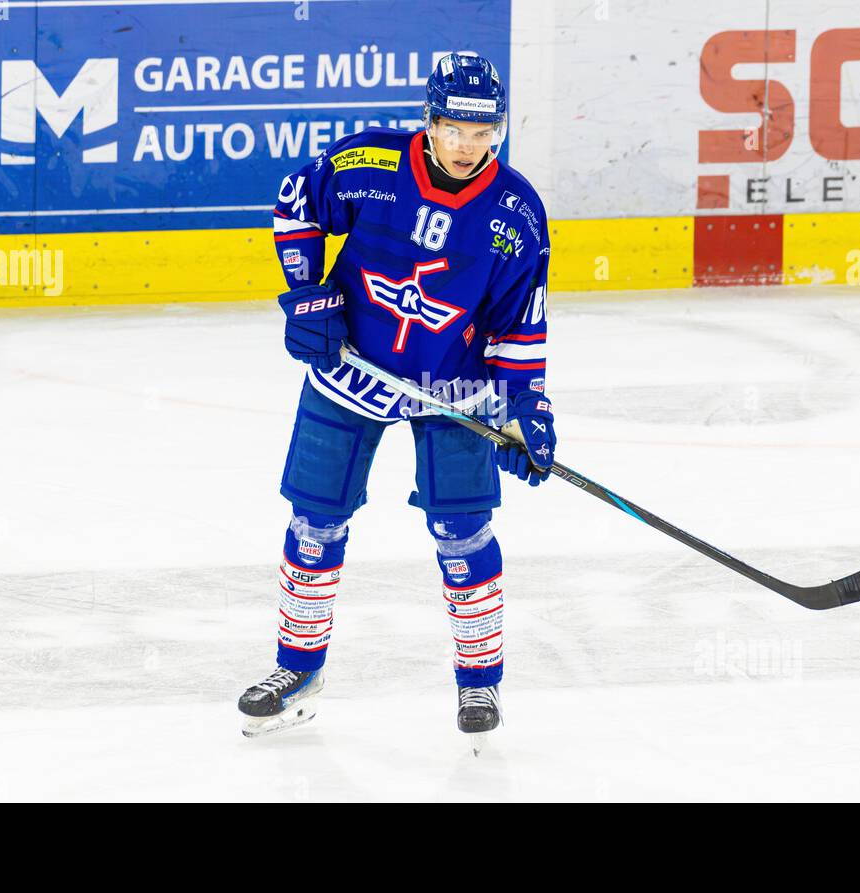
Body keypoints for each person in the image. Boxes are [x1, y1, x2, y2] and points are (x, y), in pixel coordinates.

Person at [238, 51, 555, 744]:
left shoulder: (516, 212)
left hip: (455, 385)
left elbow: (518, 322)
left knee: (462, 531)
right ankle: (298, 671)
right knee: (314, 522)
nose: (468, 145)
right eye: (454, 127)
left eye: (483, 131)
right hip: (351, 369)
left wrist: (525, 408)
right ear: (429, 120)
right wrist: (309, 293)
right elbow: (297, 201)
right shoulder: (371, 165)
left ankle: (480, 679)